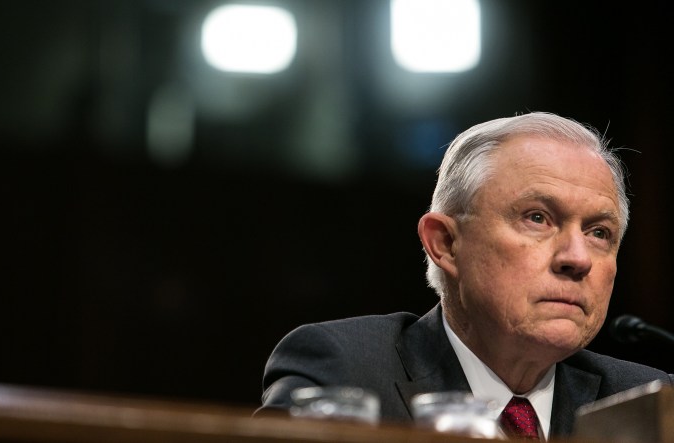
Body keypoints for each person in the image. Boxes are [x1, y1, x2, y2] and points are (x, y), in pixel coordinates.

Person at [255, 112, 673, 439]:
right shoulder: (347, 370)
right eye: (538, 218)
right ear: (445, 244)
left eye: (599, 232)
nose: (577, 258)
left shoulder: (648, 401)